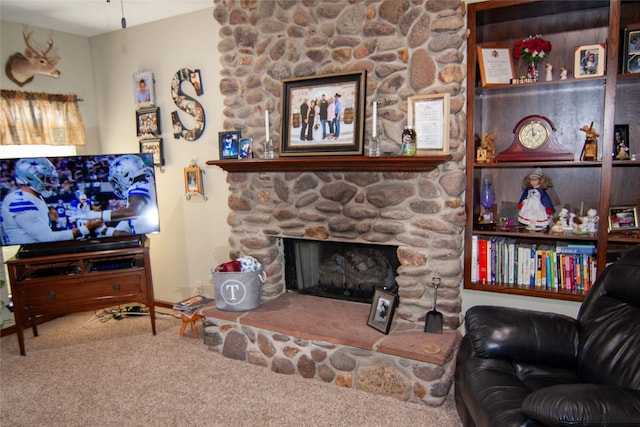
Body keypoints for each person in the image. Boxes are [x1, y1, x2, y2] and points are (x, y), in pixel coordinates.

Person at [1, 158, 102, 244]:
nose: (51, 182)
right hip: (30, 256)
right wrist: (84, 229)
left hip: (36, 252)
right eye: (46, 179)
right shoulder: (20, 202)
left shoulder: (32, 196)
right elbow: (47, 238)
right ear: (30, 178)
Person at [72, 155, 158, 236]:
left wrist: (95, 215)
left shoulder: (139, 186)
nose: (117, 185)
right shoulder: (145, 184)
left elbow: (131, 212)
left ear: (128, 174)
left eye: (117, 180)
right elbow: (132, 236)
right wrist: (103, 230)